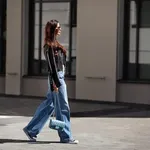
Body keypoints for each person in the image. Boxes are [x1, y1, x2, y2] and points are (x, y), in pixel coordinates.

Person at [23, 19, 78, 144]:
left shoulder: (55, 44)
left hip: (58, 76)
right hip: (56, 78)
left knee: (49, 105)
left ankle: (31, 130)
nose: (60, 29)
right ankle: (66, 137)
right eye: (58, 27)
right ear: (53, 29)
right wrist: (56, 83)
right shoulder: (48, 46)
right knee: (63, 107)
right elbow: (52, 66)